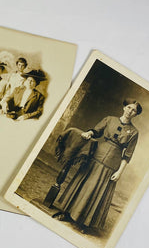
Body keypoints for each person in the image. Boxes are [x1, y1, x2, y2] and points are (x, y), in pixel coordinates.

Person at [54, 99, 142, 232]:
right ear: (124, 107)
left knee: (96, 192)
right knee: (82, 184)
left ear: (136, 114)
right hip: (96, 157)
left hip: (111, 164)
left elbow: (127, 155)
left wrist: (119, 172)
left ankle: (84, 223)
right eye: (129, 107)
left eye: (134, 110)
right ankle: (66, 213)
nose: (130, 111)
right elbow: (96, 131)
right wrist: (89, 133)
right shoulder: (110, 119)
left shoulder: (134, 133)